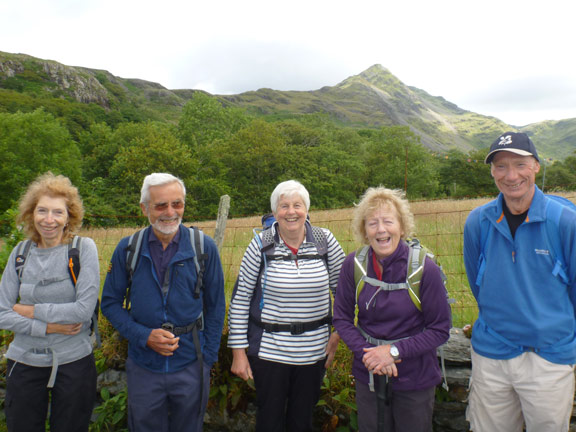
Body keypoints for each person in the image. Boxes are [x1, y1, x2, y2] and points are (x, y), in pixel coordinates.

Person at [463, 132, 576, 432]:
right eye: (500, 166)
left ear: (536, 166)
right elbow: (480, 287)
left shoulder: (566, 222)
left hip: (548, 359)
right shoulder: (478, 222)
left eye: (520, 164)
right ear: (491, 172)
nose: (511, 175)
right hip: (491, 357)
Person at [101, 173, 225, 432]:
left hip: (192, 363)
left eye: (177, 204)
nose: (170, 212)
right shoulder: (128, 250)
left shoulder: (204, 248)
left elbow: (215, 307)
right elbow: (110, 304)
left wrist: (207, 360)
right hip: (144, 365)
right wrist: (143, 336)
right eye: (161, 205)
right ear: (144, 208)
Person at [228, 179, 345, 432]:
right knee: (269, 420)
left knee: (302, 420)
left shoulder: (326, 242)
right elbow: (240, 300)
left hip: (314, 352)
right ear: (274, 212)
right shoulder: (260, 244)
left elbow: (345, 294)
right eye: (283, 206)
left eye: (297, 205)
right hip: (270, 352)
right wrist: (238, 352)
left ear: (307, 209)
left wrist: (338, 332)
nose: (291, 212)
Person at [333, 186, 451, 432]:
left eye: (388, 221)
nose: (381, 230)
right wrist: (372, 356)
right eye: (372, 223)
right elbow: (342, 319)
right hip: (369, 376)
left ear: (402, 227)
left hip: (415, 379)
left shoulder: (424, 269)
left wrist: (392, 352)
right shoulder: (353, 265)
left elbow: (440, 329)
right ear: (364, 230)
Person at [0, 172, 100, 432]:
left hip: (73, 362)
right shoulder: (19, 254)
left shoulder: (82, 249)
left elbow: (83, 310)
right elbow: (1, 313)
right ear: (31, 214)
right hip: (24, 361)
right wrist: (49, 327)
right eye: (42, 211)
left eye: (58, 212)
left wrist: (29, 310)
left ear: (69, 216)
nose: (49, 220)